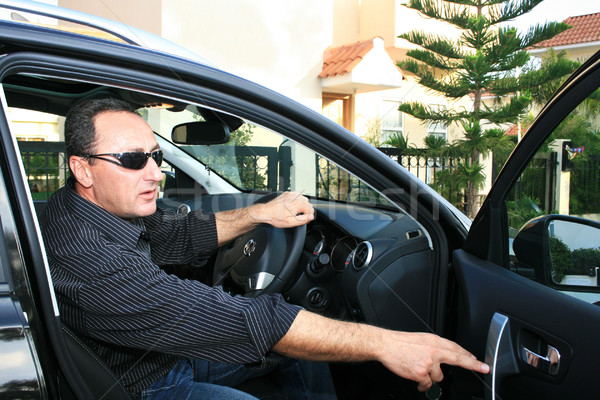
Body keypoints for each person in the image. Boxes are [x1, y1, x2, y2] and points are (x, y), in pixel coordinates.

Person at [40, 97, 489, 399]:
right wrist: (387, 342)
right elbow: (226, 318)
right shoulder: (83, 255)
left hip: (163, 355)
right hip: (142, 384)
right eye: (134, 160)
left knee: (298, 354)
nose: (156, 173)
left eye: (156, 156)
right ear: (82, 168)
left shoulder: (89, 208)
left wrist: (257, 215)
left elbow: (180, 235)